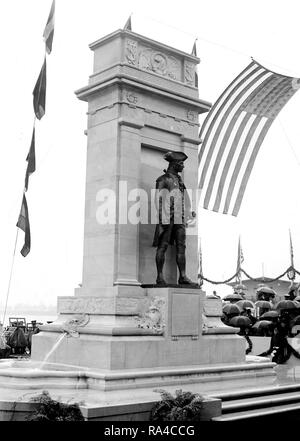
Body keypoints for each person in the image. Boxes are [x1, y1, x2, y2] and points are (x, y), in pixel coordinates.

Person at [152, 151, 196, 286]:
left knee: (182, 247)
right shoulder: (163, 179)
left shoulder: (179, 180)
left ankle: (182, 276)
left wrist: (189, 211)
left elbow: (185, 198)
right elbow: (158, 200)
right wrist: (163, 218)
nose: (183, 166)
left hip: (179, 218)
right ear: (174, 164)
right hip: (168, 218)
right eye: (181, 163)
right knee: (163, 246)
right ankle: (160, 277)